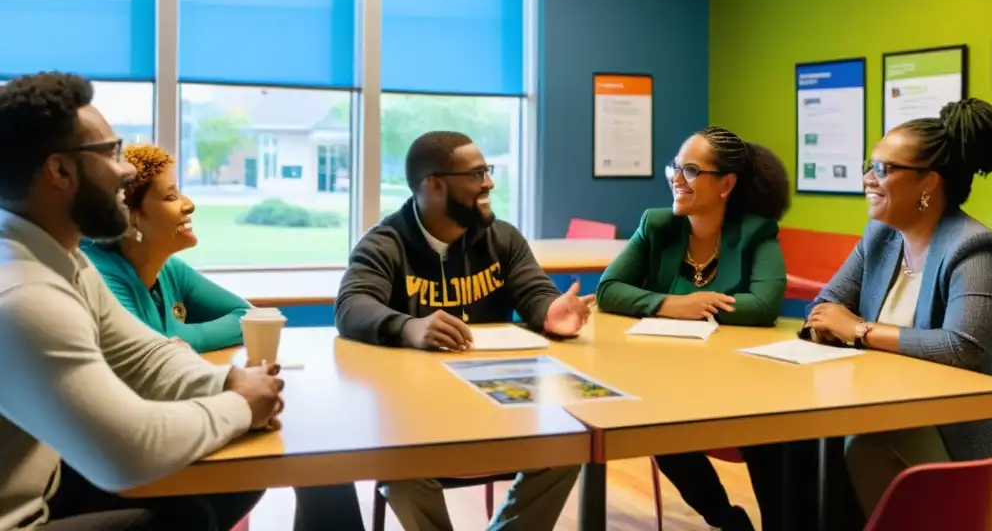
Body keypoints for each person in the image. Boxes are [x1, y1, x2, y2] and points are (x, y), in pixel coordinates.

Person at [0, 72, 283, 531]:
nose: (126, 169)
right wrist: (240, 405)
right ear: (60, 171)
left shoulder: (62, 258)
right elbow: (128, 454)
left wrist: (229, 381)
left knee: (226, 487)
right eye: (110, 152)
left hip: (47, 490)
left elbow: (145, 355)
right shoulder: (23, 293)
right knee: (187, 516)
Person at [81, 143, 366, 531]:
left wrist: (179, 336)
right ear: (131, 216)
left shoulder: (170, 271)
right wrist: (169, 343)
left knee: (319, 460)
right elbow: (143, 363)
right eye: (170, 195)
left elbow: (248, 317)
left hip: (174, 428)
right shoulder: (97, 273)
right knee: (307, 462)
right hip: (118, 463)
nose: (188, 204)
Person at [335, 131, 592, 531]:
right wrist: (409, 327)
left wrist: (549, 310)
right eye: (476, 174)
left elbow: (534, 289)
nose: (489, 183)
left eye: (487, 172)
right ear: (434, 184)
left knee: (566, 442)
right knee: (402, 472)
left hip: (502, 402)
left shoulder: (502, 237)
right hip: (416, 416)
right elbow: (351, 306)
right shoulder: (386, 243)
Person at [803, 98, 992, 516]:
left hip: (976, 426)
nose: (868, 178)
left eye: (883, 169)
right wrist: (830, 324)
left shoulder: (974, 247)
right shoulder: (880, 237)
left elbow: (964, 347)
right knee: (804, 447)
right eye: (869, 165)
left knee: (867, 444)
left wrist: (859, 331)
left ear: (928, 183)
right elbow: (827, 304)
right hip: (897, 404)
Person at [597, 126, 814, 531]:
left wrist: (703, 307)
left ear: (726, 184)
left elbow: (764, 306)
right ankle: (727, 521)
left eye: (692, 170)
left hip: (744, 380)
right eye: (675, 168)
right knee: (656, 426)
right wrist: (672, 304)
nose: (677, 179)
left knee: (770, 433)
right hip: (670, 377)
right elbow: (609, 289)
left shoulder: (755, 232)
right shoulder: (657, 226)